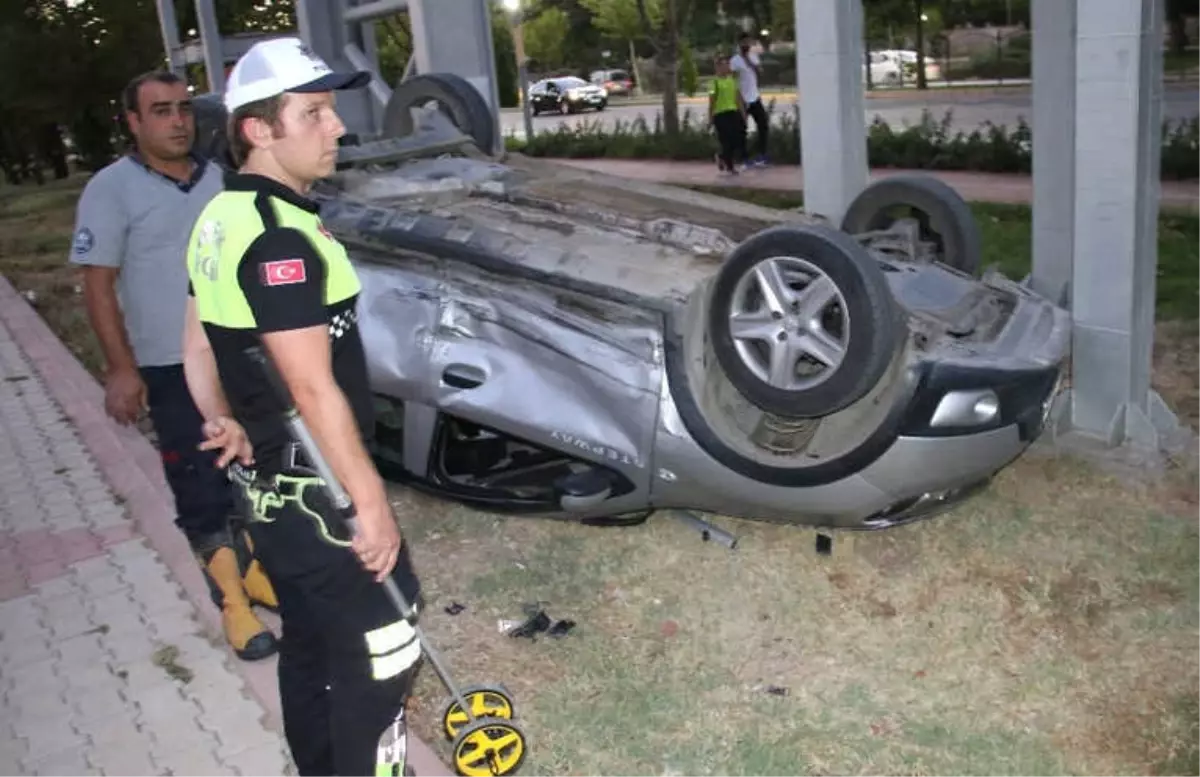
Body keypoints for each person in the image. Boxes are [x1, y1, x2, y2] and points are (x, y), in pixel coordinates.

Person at [181, 36, 423, 777]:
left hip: (271, 494)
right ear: (258, 128)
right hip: (320, 496)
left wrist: (218, 414)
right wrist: (370, 499)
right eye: (313, 113)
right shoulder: (277, 236)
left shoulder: (221, 217)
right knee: (388, 644)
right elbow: (312, 384)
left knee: (316, 646)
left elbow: (196, 341)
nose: (337, 127)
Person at [69, 69, 279, 662]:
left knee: (255, 474)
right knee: (202, 486)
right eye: (160, 111)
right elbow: (98, 285)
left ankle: (256, 571)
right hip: (169, 369)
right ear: (133, 123)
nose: (178, 121)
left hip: (238, 360)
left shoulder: (220, 181)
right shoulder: (110, 190)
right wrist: (120, 368)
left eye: (184, 108)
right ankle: (234, 605)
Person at [729, 33, 771, 167]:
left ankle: (762, 155)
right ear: (739, 44)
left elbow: (760, 72)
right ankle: (742, 158)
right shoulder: (735, 60)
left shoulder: (753, 57)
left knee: (763, 125)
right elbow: (733, 80)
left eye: (749, 42)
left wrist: (749, 61)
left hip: (754, 97)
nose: (747, 45)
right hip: (743, 99)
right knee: (742, 129)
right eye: (744, 42)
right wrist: (737, 99)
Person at [709, 54, 747, 175]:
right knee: (726, 140)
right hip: (721, 114)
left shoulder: (732, 81)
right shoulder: (714, 83)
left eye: (727, 64)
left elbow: (738, 99)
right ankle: (730, 167)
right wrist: (710, 118)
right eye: (724, 65)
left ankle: (722, 157)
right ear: (718, 67)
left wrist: (743, 114)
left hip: (733, 112)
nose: (727, 67)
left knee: (737, 138)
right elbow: (712, 101)